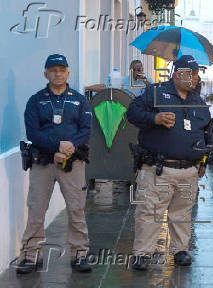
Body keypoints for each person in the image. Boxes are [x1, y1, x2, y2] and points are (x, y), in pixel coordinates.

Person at [126, 55, 211, 270]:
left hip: (188, 170)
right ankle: (143, 253)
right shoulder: (155, 92)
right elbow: (132, 113)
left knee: (182, 213)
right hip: (158, 168)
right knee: (149, 212)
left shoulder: (198, 101)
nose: (193, 78)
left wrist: (203, 160)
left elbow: (205, 133)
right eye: (188, 74)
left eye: (195, 74)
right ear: (175, 74)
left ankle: (181, 250)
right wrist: (154, 118)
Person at [17, 54, 93, 274]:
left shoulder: (79, 100)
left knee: (76, 209)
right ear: (46, 73)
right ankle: (32, 255)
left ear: (68, 72)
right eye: (53, 70)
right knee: (36, 209)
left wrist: (68, 148)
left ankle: (79, 255)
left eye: (61, 69)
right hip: (42, 162)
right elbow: (33, 132)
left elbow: (85, 130)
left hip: (73, 162)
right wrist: (57, 146)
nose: (57, 74)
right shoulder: (36, 100)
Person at [85, 60, 153, 97]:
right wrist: (87, 88)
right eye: (133, 69)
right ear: (130, 70)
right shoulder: (123, 80)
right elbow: (105, 87)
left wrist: (144, 80)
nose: (136, 72)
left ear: (142, 70)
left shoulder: (148, 81)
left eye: (138, 69)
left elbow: (154, 91)